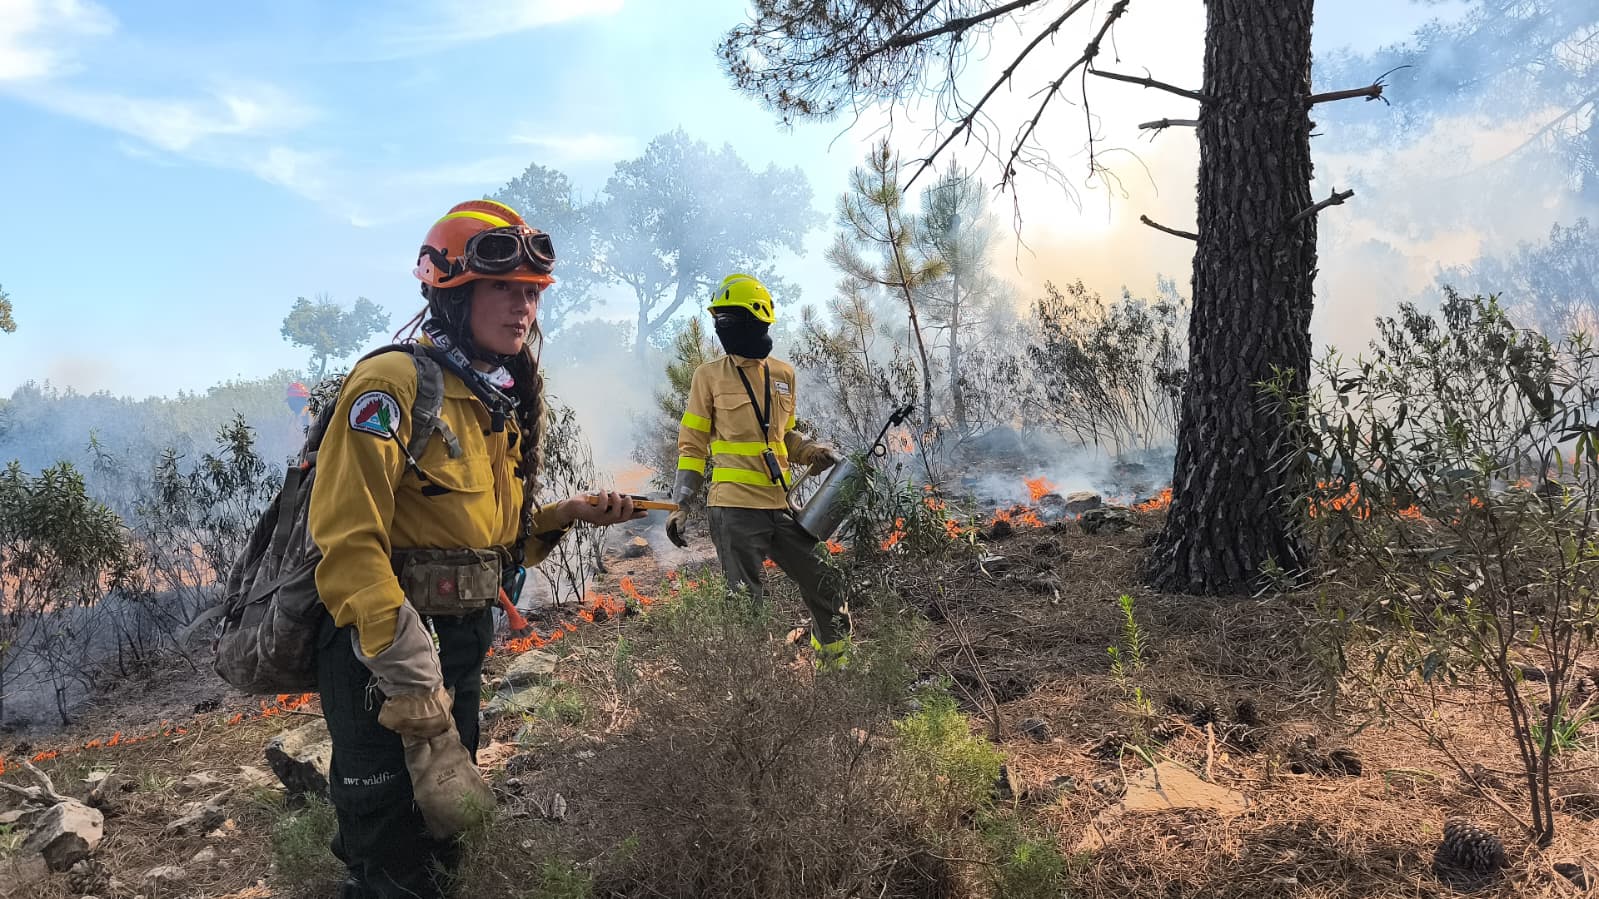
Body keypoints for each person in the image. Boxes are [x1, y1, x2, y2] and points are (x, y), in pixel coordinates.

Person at [309, 199, 642, 899]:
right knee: (386, 848)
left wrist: (569, 513)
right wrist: (407, 672)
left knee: (445, 831)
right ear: (452, 292)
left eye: (532, 293)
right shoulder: (393, 387)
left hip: (457, 644)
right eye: (504, 289)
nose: (523, 307)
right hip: (384, 656)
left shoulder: (490, 397)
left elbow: (495, 545)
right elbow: (346, 541)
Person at [665, 273, 852, 667]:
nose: (723, 329)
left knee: (826, 582)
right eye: (720, 322)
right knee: (745, 603)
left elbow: (783, 437)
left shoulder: (783, 375)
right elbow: (692, 444)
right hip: (733, 510)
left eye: (732, 320)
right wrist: (680, 502)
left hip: (782, 506)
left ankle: (837, 669)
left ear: (760, 319)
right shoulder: (708, 376)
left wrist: (813, 451)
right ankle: (753, 689)